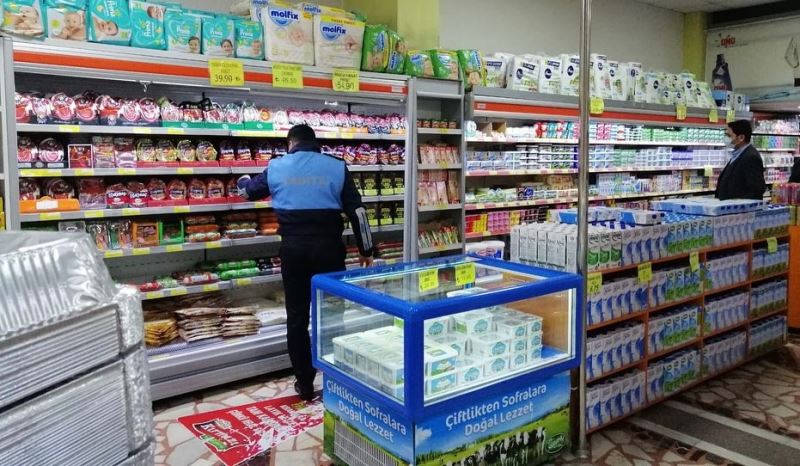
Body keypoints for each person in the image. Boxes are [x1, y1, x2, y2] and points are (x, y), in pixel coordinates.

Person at [237, 124, 374, 401]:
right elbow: (358, 211)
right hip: (330, 251)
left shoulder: (276, 167)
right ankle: (335, 377)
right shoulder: (337, 166)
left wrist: (243, 180)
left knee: (297, 317)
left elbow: (248, 192)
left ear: (290, 143)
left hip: (294, 250)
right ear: (316, 144)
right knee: (332, 314)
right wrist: (366, 249)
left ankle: (305, 383)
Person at [715, 120, 766, 200]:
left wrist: (739, 204)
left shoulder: (750, 157)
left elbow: (756, 189)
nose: (726, 138)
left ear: (741, 137)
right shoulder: (737, 154)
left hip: (738, 207)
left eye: (729, 136)